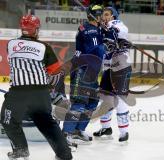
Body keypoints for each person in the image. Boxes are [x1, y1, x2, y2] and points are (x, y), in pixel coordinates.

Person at [0, 14, 72, 160]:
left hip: (18, 94)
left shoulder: (10, 44)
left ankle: (21, 149)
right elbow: (56, 72)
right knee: (47, 124)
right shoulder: (45, 47)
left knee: (8, 120)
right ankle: (64, 155)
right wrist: (50, 89)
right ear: (36, 29)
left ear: (22, 28)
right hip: (40, 94)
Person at [62, 4, 105, 145]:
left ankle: (78, 130)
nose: (103, 17)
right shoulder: (90, 31)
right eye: (101, 15)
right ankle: (66, 133)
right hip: (82, 70)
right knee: (79, 103)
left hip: (91, 72)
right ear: (95, 16)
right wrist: (108, 44)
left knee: (92, 102)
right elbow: (96, 50)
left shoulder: (95, 29)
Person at [93, 7, 132, 142]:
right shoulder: (102, 28)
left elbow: (121, 31)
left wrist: (110, 29)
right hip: (108, 67)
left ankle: (124, 131)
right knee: (105, 98)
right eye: (103, 15)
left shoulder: (119, 25)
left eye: (107, 15)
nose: (104, 17)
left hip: (121, 66)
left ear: (114, 16)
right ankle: (106, 127)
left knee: (120, 99)